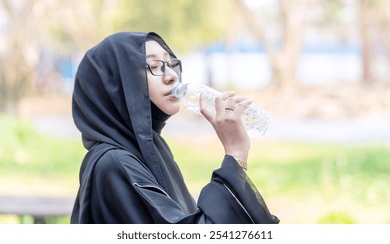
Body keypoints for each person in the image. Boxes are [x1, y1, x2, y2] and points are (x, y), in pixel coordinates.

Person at [70, 32, 279, 224]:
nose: (171, 75)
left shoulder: (150, 150)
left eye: (170, 64)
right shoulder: (114, 163)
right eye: (152, 66)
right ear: (115, 86)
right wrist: (235, 153)